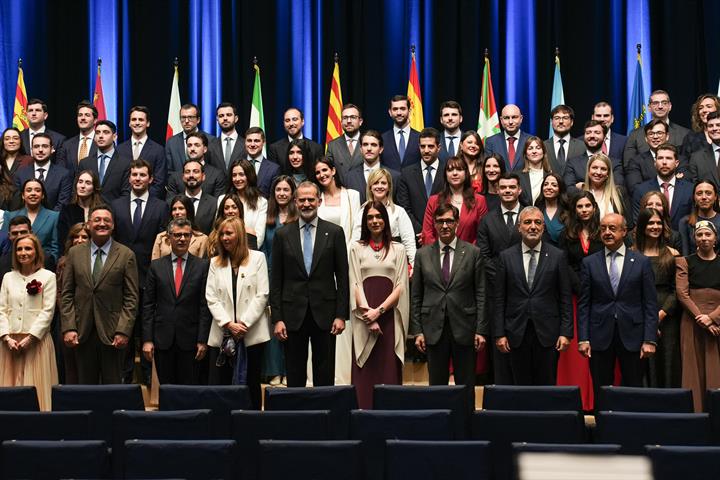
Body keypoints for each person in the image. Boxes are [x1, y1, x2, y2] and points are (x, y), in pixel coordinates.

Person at [270, 181, 349, 387]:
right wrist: (277, 318)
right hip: (292, 315)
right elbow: (276, 280)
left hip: (325, 314)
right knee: (295, 375)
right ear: (295, 201)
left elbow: (342, 277)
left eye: (311, 199)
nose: (306, 204)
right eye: (302, 200)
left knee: (324, 374)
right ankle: (297, 417)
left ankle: (325, 417)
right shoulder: (282, 235)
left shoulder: (334, 232)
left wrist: (341, 315)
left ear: (319, 201)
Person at [578, 213, 658, 405]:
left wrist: (649, 339)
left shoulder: (641, 262)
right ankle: (602, 429)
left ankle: (633, 430)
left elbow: (650, 303)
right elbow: (584, 304)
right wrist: (583, 338)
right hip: (599, 335)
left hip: (633, 334)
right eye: (603, 228)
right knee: (601, 389)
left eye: (612, 228)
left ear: (624, 231)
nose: (607, 232)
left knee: (633, 387)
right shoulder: (589, 263)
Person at [411, 204, 486, 393]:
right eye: (440, 221)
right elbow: (416, 296)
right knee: (436, 386)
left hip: (465, 326)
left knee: (465, 385)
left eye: (449, 221)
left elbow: (481, 293)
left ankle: (467, 422)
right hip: (433, 327)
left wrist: (481, 329)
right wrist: (417, 331)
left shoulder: (472, 253)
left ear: (457, 223)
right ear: (434, 224)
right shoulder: (422, 254)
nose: (445, 225)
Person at [61, 205, 139, 384]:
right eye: (97, 220)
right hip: (82, 331)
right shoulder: (74, 253)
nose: (102, 224)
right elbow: (66, 294)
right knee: (85, 387)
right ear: (88, 224)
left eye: (107, 220)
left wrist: (123, 330)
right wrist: (69, 327)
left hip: (113, 333)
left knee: (112, 387)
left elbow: (131, 298)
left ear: (113, 226)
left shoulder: (126, 255)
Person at [494, 206, 572, 385]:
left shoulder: (557, 256)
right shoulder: (505, 257)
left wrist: (566, 333)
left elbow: (565, 298)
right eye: (527, 222)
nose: (533, 226)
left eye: (538, 222)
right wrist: (499, 333)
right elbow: (499, 299)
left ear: (543, 227)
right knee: (519, 387)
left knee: (546, 386)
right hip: (515, 333)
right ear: (519, 227)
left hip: (548, 334)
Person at [349, 202, 409, 408]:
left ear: (386, 220)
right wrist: (368, 315)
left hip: (389, 318)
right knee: (364, 371)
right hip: (363, 319)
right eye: (370, 217)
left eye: (379, 216)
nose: (375, 221)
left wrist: (379, 311)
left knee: (388, 369)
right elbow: (354, 282)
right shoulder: (356, 248)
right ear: (365, 222)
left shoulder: (398, 249)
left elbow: (400, 285)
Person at [142, 218, 211, 386]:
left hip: (191, 341)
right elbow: (148, 305)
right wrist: (147, 339)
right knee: (166, 390)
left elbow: (204, 306)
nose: (182, 239)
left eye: (186, 235)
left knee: (188, 391)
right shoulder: (156, 266)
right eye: (177, 235)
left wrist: (202, 339)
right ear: (168, 238)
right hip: (162, 340)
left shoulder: (202, 266)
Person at [476, 173, 524, 384]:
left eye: (511, 187)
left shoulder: (531, 216)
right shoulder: (487, 220)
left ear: (519, 190)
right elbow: (485, 256)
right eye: (502, 187)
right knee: (501, 347)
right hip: (497, 291)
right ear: (497, 190)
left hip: (527, 291)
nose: (507, 191)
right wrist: (504, 280)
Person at [0, 233, 57, 410]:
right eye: (19, 249)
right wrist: (6, 337)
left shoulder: (48, 277)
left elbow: (47, 311)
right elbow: (1, 309)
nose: (23, 252)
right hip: (9, 344)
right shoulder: (8, 277)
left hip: (35, 343)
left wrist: (31, 337)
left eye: (28, 248)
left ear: (36, 252)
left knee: (37, 391)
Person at [557, 191, 603, 411]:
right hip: (575, 297)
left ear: (594, 208)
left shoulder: (603, 232)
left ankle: (596, 401)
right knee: (576, 354)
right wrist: (580, 286)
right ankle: (577, 401)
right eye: (580, 206)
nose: (584, 210)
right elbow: (563, 265)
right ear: (574, 210)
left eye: (588, 206)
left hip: (600, 296)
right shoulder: (565, 235)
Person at [633, 208, 680, 388]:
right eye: (651, 223)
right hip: (640, 314)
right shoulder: (632, 254)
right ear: (642, 226)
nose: (655, 226)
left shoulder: (673, 254)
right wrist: (649, 321)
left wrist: (660, 315)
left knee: (668, 362)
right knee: (644, 364)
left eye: (658, 223)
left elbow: (677, 291)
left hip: (667, 315)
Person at [676, 220, 720, 412]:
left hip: (717, 321)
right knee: (693, 368)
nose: (704, 238)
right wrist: (702, 318)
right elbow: (682, 294)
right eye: (699, 235)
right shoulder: (684, 261)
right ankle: (696, 413)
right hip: (692, 321)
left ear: (715, 238)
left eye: (707, 234)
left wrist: (712, 317)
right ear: (694, 239)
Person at [260, 176, 298, 385]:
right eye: (278, 189)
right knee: (274, 323)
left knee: (291, 325)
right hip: (270, 274)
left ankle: (289, 370)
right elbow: (262, 248)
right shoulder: (267, 217)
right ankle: (275, 371)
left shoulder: (299, 216)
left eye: (286, 189)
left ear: (293, 193)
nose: (282, 193)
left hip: (294, 278)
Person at [351, 169, 416, 267]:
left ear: (389, 187)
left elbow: (408, 241)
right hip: (368, 264)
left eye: (383, 183)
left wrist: (413, 264)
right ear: (370, 187)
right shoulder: (362, 212)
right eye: (376, 183)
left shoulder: (399, 212)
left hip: (394, 263)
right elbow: (356, 241)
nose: (380, 186)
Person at [421, 157, 488, 246]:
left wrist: (468, 254)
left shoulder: (479, 200)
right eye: (450, 170)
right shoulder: (434, 201)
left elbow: (482, 234)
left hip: (470, 256)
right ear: (445, 174)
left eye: (459, 169)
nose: (455, 173)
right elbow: (427, 233)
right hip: (438, 256)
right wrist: (437, 255)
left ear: (466, 173)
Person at [55, 222, 90, 385]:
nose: (79, 240)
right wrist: (70, 319)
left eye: (84, 236)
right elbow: (61, 293)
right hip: (69, 321)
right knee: (71, 370)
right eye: (76, 237)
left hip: (91, 320)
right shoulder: (64, 262)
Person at [396, 128, 446, 239]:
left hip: (443, 234)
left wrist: (435, 230)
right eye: (423, 146)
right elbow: (404, 208)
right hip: (415, 236)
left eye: (431, 146)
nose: (426, 150)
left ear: (439, 148)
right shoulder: (406, 173)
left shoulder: (448, 172)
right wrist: (422, 231)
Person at [632, 143, 694, 231]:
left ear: (676, 163)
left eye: (668, 158)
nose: (664, 162)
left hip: (682, 242)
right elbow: (638, 222)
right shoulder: (641, 190)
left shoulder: (690, 189)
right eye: (660, 158)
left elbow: (693, 221)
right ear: (655, 162)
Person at [623, 90, 690, 165]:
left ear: (670, 106)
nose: (660, 106)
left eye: (664, 103)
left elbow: (687, 164)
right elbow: (628, 165)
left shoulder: (685, 134)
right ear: (649, 107)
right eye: (655, 103)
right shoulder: (635, 135)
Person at [3, 179, 59, 263]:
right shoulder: (10, 216)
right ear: (23, 195)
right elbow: (5, 244)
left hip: (43, 264)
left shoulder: (54, 216)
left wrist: (49, 262)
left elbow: (55, 247)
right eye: (29, 190)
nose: (33, 193)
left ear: (42, 195)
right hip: (15, 263)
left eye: (37, 190)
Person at [116, 106, 167, 198]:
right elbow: (117, 179)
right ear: (129, 123)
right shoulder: (119, 149)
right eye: (134, 119)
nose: (137, 123)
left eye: (141, 120)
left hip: (150, 203)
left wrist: (144, 199)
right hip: (123, 202)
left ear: (148, 123)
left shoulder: (158, 150)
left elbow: (159, 182)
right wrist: (127, 199)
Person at [15, 133, 72, 212]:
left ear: (52, 149)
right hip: (26, 221)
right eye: (36, 146)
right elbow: (18, 203)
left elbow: (62, 204)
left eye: (45, 146)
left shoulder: (63, 174)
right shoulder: (20, 174)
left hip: (54, 221)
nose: (40, 150)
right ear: (31, 150)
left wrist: (49, 220)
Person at [77, 120, 131, 204]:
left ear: (114, 137)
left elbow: (126, 194)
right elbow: (77, 191)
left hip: (115, 213)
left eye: (106, 132)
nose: (101, 136)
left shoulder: (125, 163)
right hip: (89, 211)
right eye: (98, 133)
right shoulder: (85, 163)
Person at [564, 120, 624, 194]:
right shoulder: (573, 163)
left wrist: (583, 186)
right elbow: (568, 190)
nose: (592, 136)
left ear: (604, 137)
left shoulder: (615, 163)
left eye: (597, 133)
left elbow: (618, 189)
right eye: (588, 133)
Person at [344, 130, 401, 204]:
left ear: (381, 149)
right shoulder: (349, 177)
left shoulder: (394, 176)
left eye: (373, 145)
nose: (369, 148)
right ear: (361, 149)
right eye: (365, 144)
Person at [316, 157, 361, 247]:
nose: (321, 175)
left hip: (348, 252)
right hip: (323, 253)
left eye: (324, 170)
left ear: (333, 171)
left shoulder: (352, 196)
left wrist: (348, 253)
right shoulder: (316, 200)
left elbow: (358, 228)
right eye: (318, 172)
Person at [222, 159, 268, 247]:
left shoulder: (261, 202)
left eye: (241, 175)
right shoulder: (222, 199)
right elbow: (219, 229)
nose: (237, 179)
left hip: (250, 252)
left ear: (249, 176)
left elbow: (259, 237)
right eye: (234, 175)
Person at [164, 103, 220, 175]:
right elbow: (169, 171)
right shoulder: (171, 142)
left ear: (198, 120)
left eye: (190, 117)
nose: (186, 121)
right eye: (183, 117)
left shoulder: (211, 140)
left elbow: (214, 168)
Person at [166, 132, 226, 198]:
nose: (192, 149)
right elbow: (170, 203)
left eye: (197, 145)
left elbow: (218, 204)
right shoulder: (175, 178)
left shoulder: (217, 175)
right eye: (189, 145)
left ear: (205, 149)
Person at [58, 170, 103, 255]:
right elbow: (62, 240)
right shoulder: (67, 210)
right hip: (71, 255)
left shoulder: (100, 211)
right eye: (80, 182)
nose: (82, 186)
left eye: (88, 183)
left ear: (94, 188)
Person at [624, 119, 671, 195]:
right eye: (651, 134)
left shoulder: (680, 158)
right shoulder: (636, 162)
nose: (655, 137)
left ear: (667, 136)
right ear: (646, 138)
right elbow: (636, 189)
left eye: (659, 133)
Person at [582, 153, 629, 222]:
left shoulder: (619, 192)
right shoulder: (580, 194)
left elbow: (628, 224)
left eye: (603, 169)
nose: (598, 172)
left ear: (608, 174)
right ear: (588, 171)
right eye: (595, 168)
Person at [484, 104, 532, 171]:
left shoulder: (530, 141)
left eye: (514, 117)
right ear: (501, 120)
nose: (510, 122)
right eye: (506, 118)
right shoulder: (491, 142)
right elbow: (488, 168)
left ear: (521, 119)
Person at [56, 101, 98, 174]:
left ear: (95, 120)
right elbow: (60, 172)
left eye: (87, 115)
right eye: (80, 115)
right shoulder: (67, 145)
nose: (83, 118)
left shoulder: (101, 143)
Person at [679, 180, 720, 256]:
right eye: (699, 193)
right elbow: (685, 255)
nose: (704, 197)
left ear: (715, 197)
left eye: (708, 193)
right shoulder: (685, 222)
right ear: (694, 197)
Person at [380, 95, 421, 170]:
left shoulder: (420, 137)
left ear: (409, 111)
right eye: (395, 109)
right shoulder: (382, 139)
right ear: (390, 112)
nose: (399, 113)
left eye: (402, 109)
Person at [325, 104, 364, 183]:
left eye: (353, 117)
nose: (349, 121)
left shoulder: (369, 142)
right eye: (345, 118)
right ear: (341, 122)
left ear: (360, 121)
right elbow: (327, 171)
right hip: (341, 192)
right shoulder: (332, 145)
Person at [178, 159, 217, 236]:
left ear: (203, 176)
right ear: (183, 177)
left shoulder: (213, 203)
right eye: (187, 172)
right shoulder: (173, 202)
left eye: (196, 171)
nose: (191, 175)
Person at [545, 105, 584, 174]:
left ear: (571, 122)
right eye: (557, 118)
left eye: (565, 118)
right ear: (551, 122)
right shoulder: (543, 146)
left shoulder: (582, 146)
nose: (561, 121)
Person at [680, 93, 720, 163]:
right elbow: (683, 164)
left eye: (709, 106)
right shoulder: (691, 138)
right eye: (700, 108)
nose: (704, 110)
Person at [207, 102, 247, 172]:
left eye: (228, 115)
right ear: (217, 119)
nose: (225, 118)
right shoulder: (210, 145)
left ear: (236, 118)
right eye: (221, 116)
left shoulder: (246, 144)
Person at [243, 127, 280, 197]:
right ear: (245, 142)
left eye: (256, 141)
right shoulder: (237, 166)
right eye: (249, 140)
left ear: (263, 142)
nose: (252, 144)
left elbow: (273, 198)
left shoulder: (274, 169)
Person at [535, 173, 568, 247]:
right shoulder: (537, 211)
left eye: (554, 185)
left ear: (560, 189)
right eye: (546, 184)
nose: (549, 187)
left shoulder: (568, 212)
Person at [518, 136, 551, 204]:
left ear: (543, 152)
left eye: (538, 148)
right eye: (530, 148)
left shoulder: (551, 174)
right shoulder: (517, 176)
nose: (534, 151)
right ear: (525, 154)